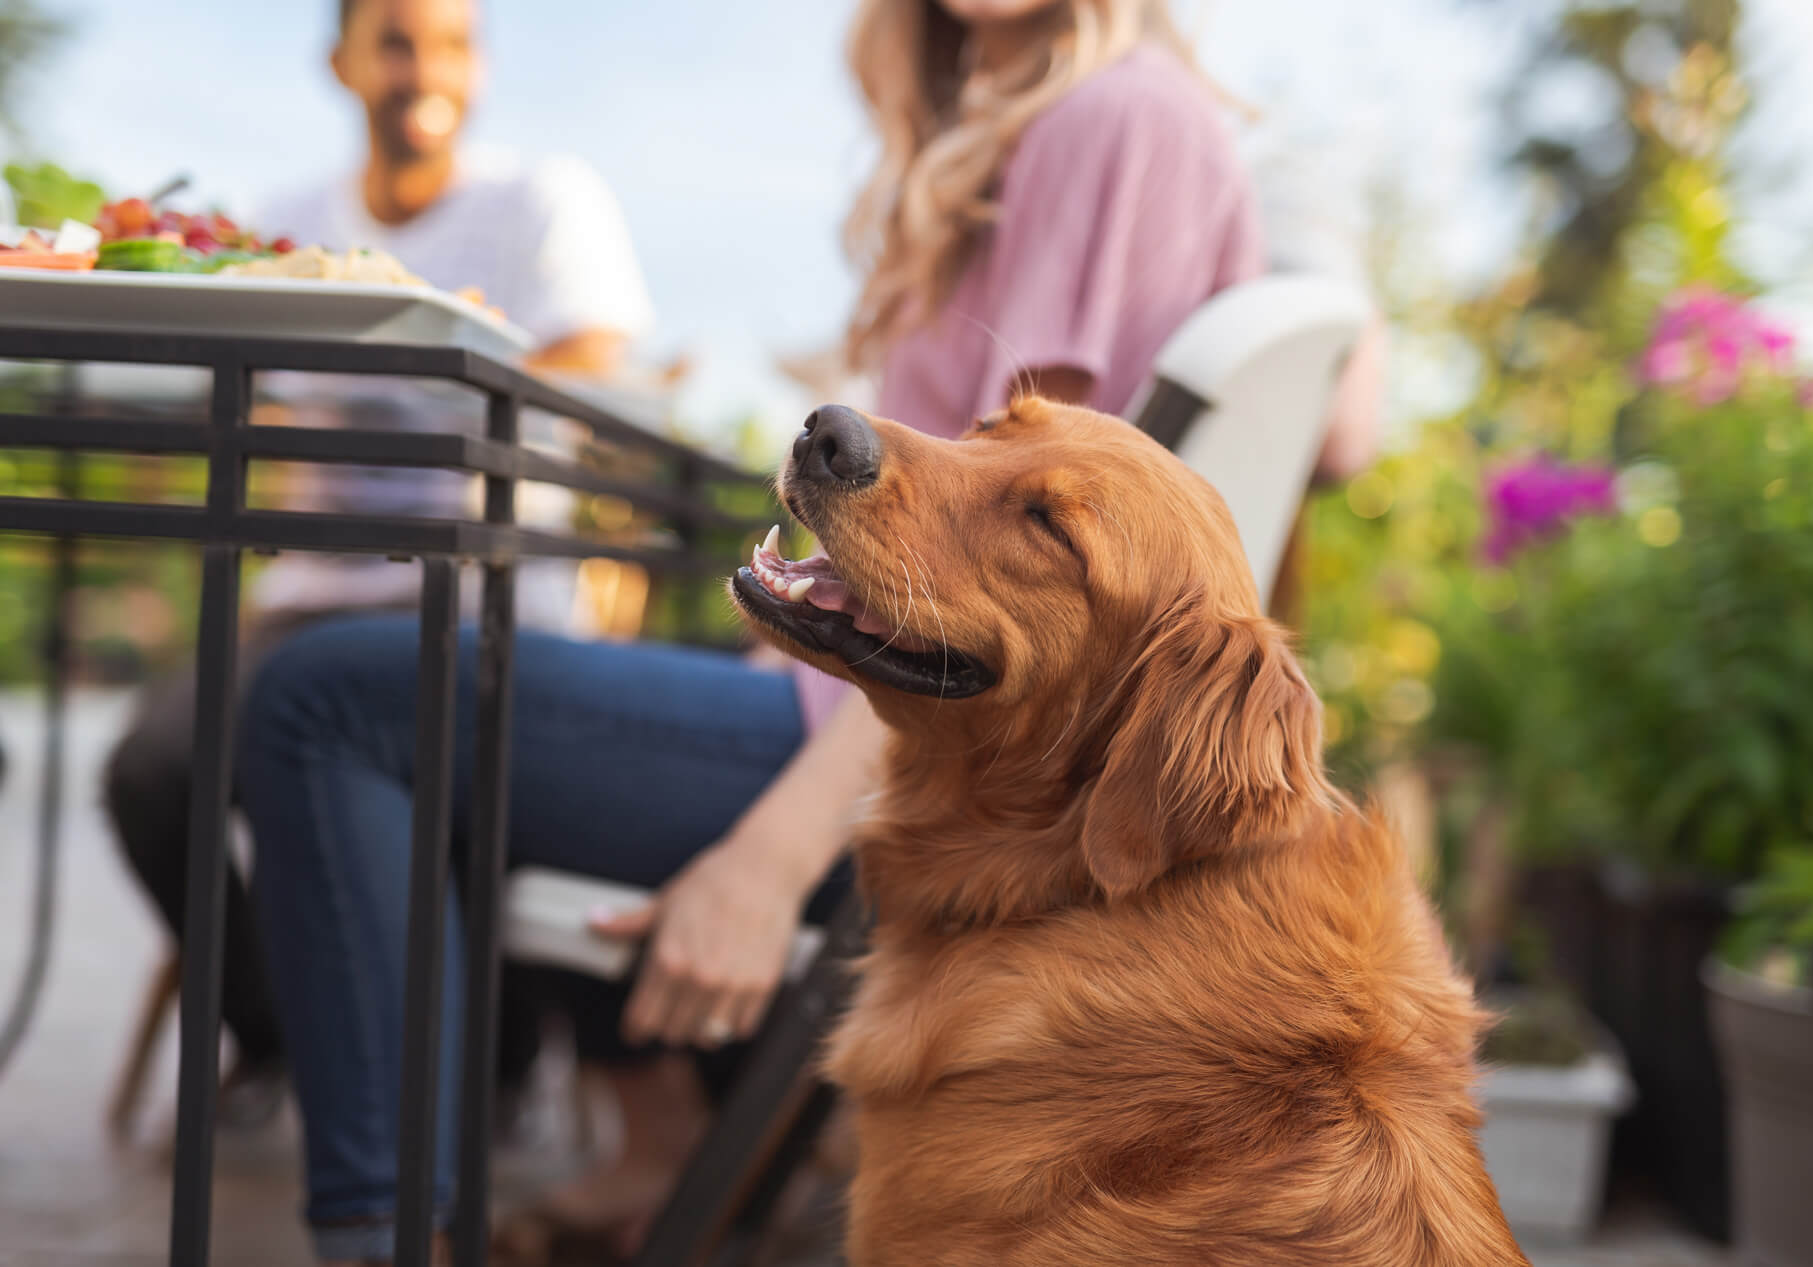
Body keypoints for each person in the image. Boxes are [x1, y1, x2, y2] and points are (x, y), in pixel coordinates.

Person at [236, 1, 1371, 1261]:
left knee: (327, 700)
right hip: (844, 710)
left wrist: (773, 855)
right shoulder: (1057, 117)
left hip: (879, 767)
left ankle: (390, 1238)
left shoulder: (1115, 119)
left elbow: (1035, 581)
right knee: (491, 691)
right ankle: (653, 1138)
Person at [103, 0, 651, 1127]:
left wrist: (393, 384)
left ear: (481, 65)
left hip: (488, 589)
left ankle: (473, 1068)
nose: (425, 68)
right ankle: (283, 1030)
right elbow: (238, 390)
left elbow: (597, 361)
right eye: (398, 39)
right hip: (316, 594)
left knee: (447, 774)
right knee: (153, 770)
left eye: (452, 41)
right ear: (342, 61)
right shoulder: (289, 218)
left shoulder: (538, 199)